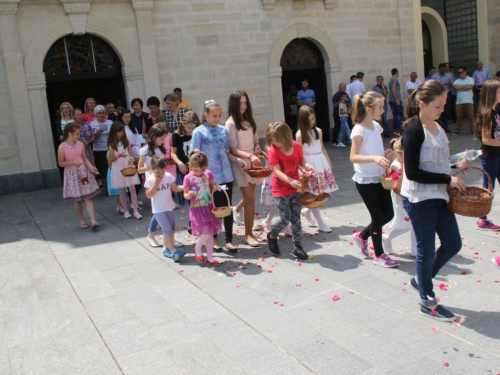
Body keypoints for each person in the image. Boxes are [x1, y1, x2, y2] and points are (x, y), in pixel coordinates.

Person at [401, 79, 467, 321]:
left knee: (453, 243)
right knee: (425, 249)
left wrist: (457, 164)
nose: (442, 110)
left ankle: (421, 279)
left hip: (439, 194)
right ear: (422, 104)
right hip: (419, 199)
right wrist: (448, 179)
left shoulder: (438, 127)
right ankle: (427, 301)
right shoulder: (414, 129)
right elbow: (412, 172)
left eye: (444, 105)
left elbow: (439, 161)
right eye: (438, 106)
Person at [349, 91, 397, 268]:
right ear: (368, 109)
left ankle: (361, 236)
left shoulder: (376, 127)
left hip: (379, 177)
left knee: (389, 214)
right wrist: (374, 159)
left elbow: (373, 150)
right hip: (365, 180)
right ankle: (379, 255)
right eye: (380, 107)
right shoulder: (359, 130)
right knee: (377, 216)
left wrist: (383, 155)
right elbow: (354, 157)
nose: (383, 110)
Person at [191, 100, 237, 253]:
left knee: (228, 207)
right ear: (205, 115)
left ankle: (229, 240)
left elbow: (227, 151)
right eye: (214, 116)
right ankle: (215, 237)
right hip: (211, 178)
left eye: (219, 115)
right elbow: (193, 155)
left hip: (226, 175)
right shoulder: (198, 132)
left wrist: (239, 161)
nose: (217, 118)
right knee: (216, 208)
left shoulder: (223, 130)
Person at [265, 121, 314, 260]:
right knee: (284, 218)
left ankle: (297, 247)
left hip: (295, 189)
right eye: (272, 140)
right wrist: (290, 180)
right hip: (280, 190)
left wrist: (307, 165)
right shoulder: (273, 150)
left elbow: (301, 161)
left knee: (296, 219)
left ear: (285, 137)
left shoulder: (296, 146)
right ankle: (272, 234)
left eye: (277, 140)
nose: (274, 143)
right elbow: (276, 171)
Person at [225, 90, 263, 247]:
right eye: (240, 103)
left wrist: (257, 147)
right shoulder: (230, 123)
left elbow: (255, 140)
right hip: (241, 163)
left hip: (253, 161)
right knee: (251, 198)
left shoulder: (249, 119)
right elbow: (233, 149)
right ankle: (248, 234)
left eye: (245, 102)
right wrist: (249, 157)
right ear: (234, 104)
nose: (243, 106)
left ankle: (249, 229)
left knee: (250, 197)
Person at [138, 124, 185, 249]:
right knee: (158, 210)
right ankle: (151, 235)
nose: (163, 141)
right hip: (152, 183)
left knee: (162, 209)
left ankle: (170, 239)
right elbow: (139, 169)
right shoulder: (144, 150)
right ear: (154, 136)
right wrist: (152, 167)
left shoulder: (160, 149)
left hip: (163, 181)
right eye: (161, 138)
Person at [296, 106, 338, 233]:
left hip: (321, 162)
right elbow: (300, 154)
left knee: (326, 192)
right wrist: (304, 169)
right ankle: (320, 222)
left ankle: (307, 211)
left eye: (313, 119)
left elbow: (322, 147)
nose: (311, 122)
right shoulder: (300, 134)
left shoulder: (318, 131)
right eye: (308, 120)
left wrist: (328, 161)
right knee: (313, 194)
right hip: (309, 164)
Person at [57, 122, 100, 229]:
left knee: (88, 196)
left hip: (83, 174)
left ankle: (93, 220)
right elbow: (60, 163)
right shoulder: (62, 147)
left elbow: (85, 159)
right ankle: (82, 220)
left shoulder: (80, 144)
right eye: (77, 134)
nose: (78, 136)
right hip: (72, 176)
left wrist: (91, 167)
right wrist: (71, 163)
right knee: (77, 199)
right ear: (70, 134)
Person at [183, 151, 222, 266]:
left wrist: (216, 187)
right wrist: (188, 194)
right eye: (196, 170)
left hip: (208, 207)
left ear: (205, 167)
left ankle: (210, 257)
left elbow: (212, 186)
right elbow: (185, 194)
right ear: (190, 165)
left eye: (201, 170)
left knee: (209, 234)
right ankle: (197, 248)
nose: (199, 172)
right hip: (197, 209)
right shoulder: (188, 178)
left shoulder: (208, 173)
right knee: (205, 233)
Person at [145, 155, 187, 262]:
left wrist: (186, 187)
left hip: (169, 207)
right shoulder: (150, 180)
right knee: (167, 230)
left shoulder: (168, 176)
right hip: (158, 209)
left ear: (165, 169)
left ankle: (166, 248)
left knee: (171, 230)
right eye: (157, 172)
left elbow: (175, 188)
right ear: (152, 169)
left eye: (162, 172)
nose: (160, 175)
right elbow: (149, 195)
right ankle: (174, 252)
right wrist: (156, 184)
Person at [381, 138, 416, 256]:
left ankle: (415, 250)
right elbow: (394, 185)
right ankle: (387, 238)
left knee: (415, 225)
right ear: (398, 153)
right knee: (405, 225)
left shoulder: (408, 163)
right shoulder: (395, 165)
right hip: (401, 198)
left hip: (410, 196)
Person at [474, 79, 500, 231]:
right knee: (488, 189)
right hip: (489, 156)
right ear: (492, 93)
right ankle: (482, 219)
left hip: (498, 154)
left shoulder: (498, 109)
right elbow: (486, 139)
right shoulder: (487, 113)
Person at [107, 121, 142, 219]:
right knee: (122, 189)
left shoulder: (126, 141)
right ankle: (126, 211)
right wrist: (119, 155)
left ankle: (135, 210)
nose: (120, 134)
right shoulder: (112, 144)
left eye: (121, 132)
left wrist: (131, 160)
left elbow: (131, 154)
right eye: (118, 132)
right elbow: (111, 159)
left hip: (127, 165)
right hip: (118, 166)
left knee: (132, 188)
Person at [172, 111, 200, 211]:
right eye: (188, 128)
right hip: (183, 167)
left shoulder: (198, 133)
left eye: (193, 128)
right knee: (188, 193)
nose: (191, 130)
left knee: (197, 193)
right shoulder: (176, 135)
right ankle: (191, 221)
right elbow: (173, 152)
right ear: (183, 124)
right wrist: (179, 163)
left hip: (197, 167)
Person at [119, 109, 143, 206]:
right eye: (125, 117)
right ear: (121, 117)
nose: (128, 119)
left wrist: (136, 149)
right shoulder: (119, 129)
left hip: (135, 155)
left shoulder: (133, 127)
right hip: (125, 155)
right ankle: (132, 200)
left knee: (138, 178)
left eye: (129, 117)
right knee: (129, 179)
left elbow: (137, 140)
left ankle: (136, 197)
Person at [90, 105, 112, 192]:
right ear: (96, 114)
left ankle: (113, 188)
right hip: (98, 149)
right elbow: (91, 137)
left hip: (109, 148)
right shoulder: (92, 124)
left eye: (103, 113)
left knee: (111, 168)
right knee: (102, 169)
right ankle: (107, 189)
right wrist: (97, 133)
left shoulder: (110, 122)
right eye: (99, 113)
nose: (102, 115)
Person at [452, 67, 476, 135]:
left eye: (460, 72)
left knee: (471, 116)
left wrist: (461, 87)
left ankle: (473, 129)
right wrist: (465, 86)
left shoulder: (470, 79)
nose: (459, 74)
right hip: (459, 102)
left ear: (465, 72)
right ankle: (458, 130)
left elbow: (470, 87)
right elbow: (455, 87)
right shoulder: (457, 80)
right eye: (458, 73)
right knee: (459, 117)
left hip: (469, 101)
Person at [431, 63, 453, 132]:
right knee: (438, 111)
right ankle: (439, 127)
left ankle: (445, 127)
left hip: (447, 94)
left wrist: (450, 84)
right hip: (438, 95)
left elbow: (453, 84)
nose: (443, 70)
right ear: (439, 69)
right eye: (442, 69)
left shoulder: (449, 76)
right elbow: (432, 85)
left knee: (446, 111)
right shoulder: (434, 76)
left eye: (444, 69)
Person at [388, 68, 404, 136]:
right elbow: (394, 89)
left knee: (395, 115)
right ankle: (396, 129)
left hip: (391, 100)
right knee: (401, 115)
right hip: (395, 100)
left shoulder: (390, 80)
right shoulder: (395, 79)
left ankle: (395, 130)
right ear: (397, 73)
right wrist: (397, 99)